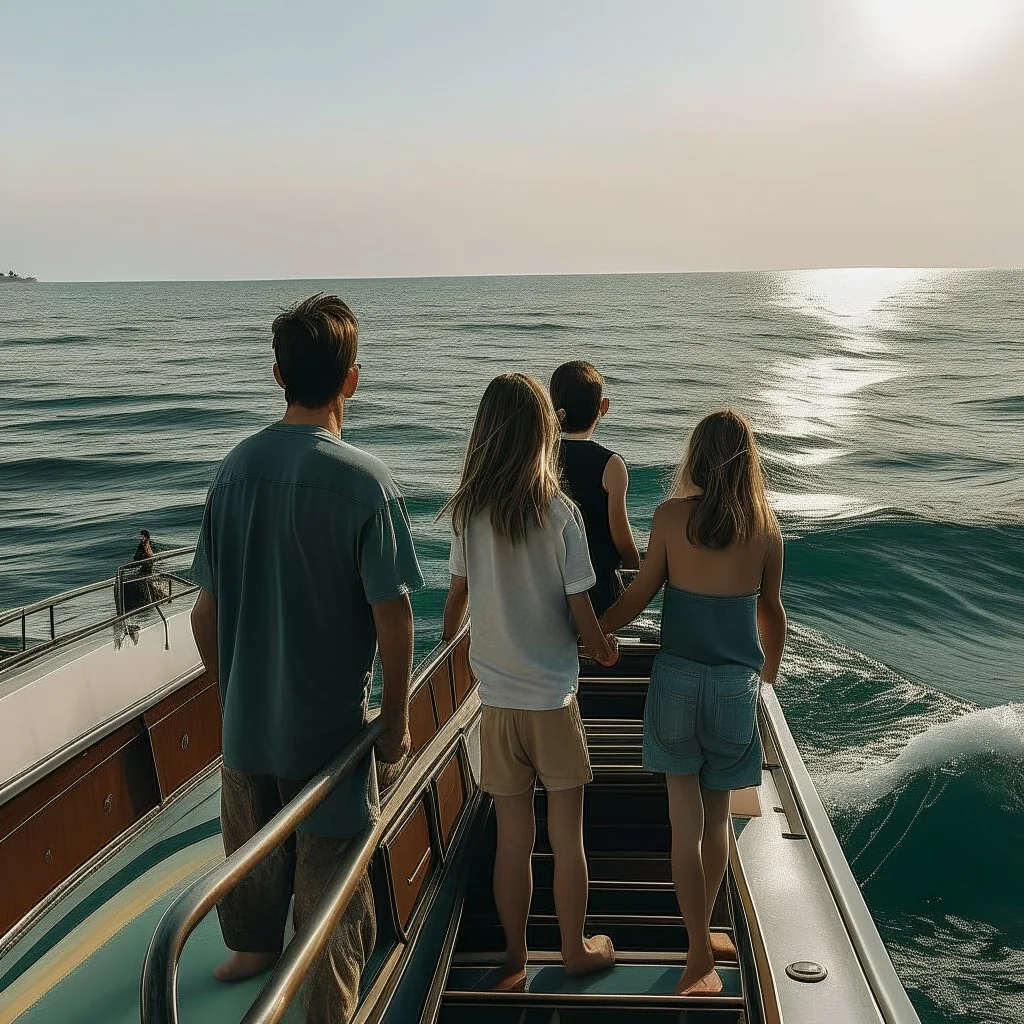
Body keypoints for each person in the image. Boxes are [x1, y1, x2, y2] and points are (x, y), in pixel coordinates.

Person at [189, 294, 423, 1024]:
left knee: (251, 864)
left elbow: (205, 611)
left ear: (276, 373)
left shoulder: (233, 470)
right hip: (330, 741)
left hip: (247, 728)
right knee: (331, 903)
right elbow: (395, 620)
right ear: (351, 380)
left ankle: (252, 950)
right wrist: (394, 722)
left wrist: (230, 695)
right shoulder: (365, 483)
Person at [440, 372, 620, 993]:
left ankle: (514, 958)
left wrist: (450, 637)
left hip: (497, 704)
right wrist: (603, 648)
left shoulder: (468, 513)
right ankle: (574, 948)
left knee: (512, 841)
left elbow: (457, 600)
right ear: (544, 433)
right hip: (553, 700)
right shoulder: (560, 513)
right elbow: (580, 610)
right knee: (565, 838)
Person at [600, 409, 786, 996]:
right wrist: (769, 681)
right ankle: (704, 939)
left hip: (677, 682)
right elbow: (771, 615)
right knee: (717, 823)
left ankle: (698, 946)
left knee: (683, 826)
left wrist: (594, 632)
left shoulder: (669, 518)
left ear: (696, 458)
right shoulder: (766, 531)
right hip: (734, 688)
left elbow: (639, 594)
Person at [549, 361, 640, 615]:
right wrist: (637, 570)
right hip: (597, 592)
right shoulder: (610, 465)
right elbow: (622, 541)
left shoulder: (539, 458)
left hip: (549, 588)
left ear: (554, 408)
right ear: (604, 407)